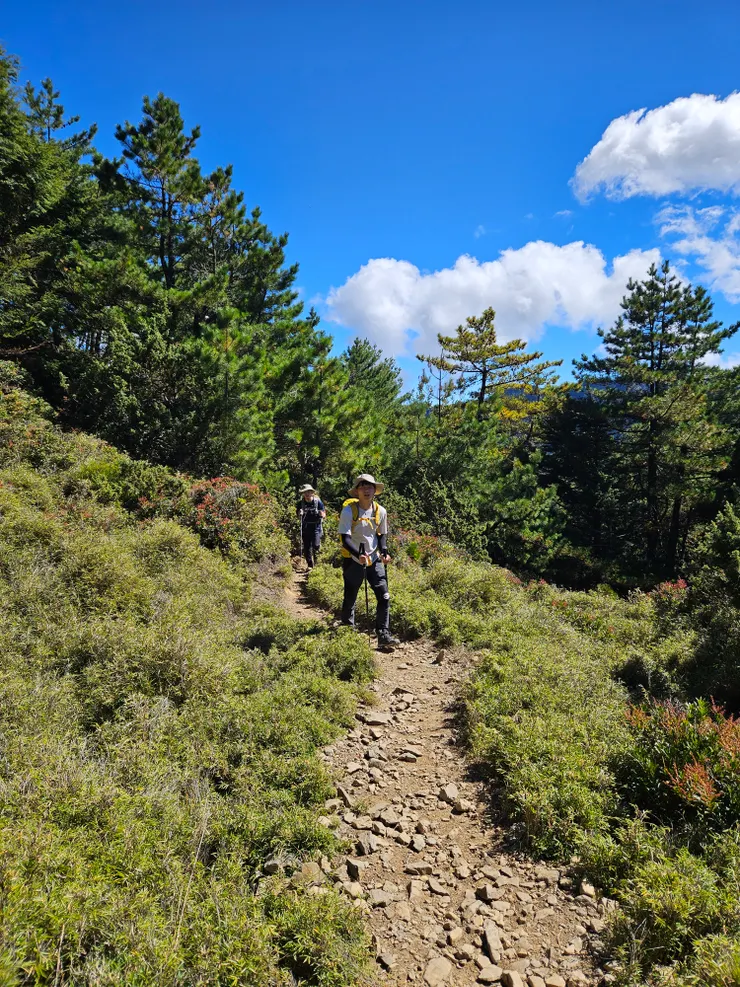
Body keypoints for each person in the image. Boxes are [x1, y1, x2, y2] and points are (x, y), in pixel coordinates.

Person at [338, 473, 399, 650]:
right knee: (350, 597)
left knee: (384, 596)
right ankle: (347, 634)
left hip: (374, 559)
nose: (366, 490)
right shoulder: (349, 511)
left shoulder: (381, 511)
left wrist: (384, 551)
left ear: (374, 490)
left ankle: (383, 634)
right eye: (362, 486)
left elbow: (381, 535)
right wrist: (358, 554)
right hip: (353, 560)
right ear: (357, 491)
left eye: (369, 486)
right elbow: (345, 538)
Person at [297, 483, 326, 569]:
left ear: (312, 493)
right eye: (305, 492)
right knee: (307, 548)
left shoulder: (318, 502)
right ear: (303, 493)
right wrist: (300, 513)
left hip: (316, 527)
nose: (307, 494)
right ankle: (310, 565)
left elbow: (324, 513)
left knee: (316, 545)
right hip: (305, 527)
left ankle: (317, 564)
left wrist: (322, 514)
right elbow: (298, 515)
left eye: (309, 492)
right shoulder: (301, 503)